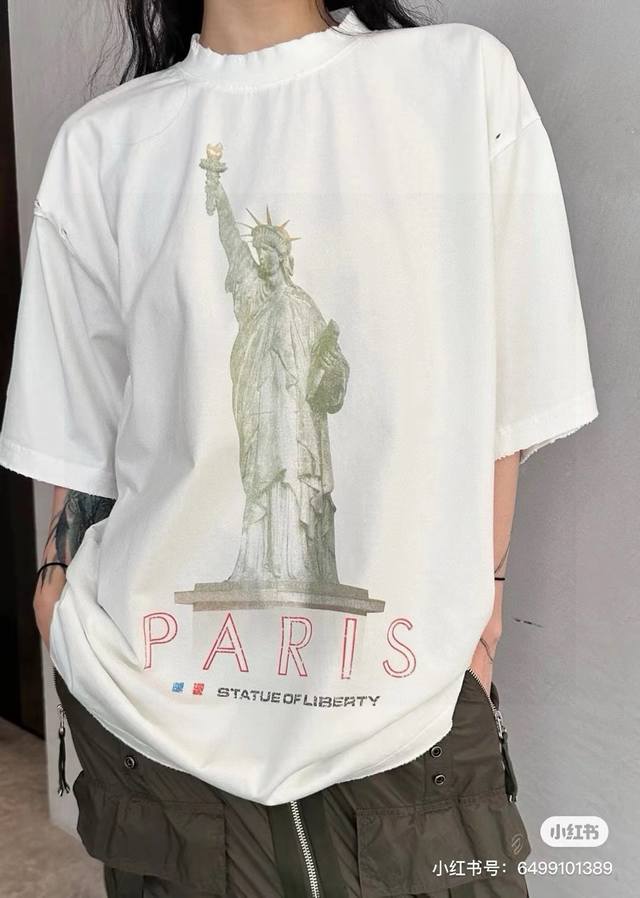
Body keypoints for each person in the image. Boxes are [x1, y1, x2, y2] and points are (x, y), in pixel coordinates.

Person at [0, 1, 599, 895]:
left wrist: (481, 614)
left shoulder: (458, 83)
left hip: (409, 730)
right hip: (158, 732)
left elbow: (506, 389)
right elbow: (82, 438)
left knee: (301, 497)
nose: (274, 264)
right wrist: (60, 604)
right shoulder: (105, 145)